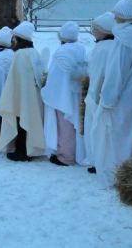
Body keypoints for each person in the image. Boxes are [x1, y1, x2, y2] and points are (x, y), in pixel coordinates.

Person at [92, 0, 132, 188]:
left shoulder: (125, 39)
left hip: (124, 97)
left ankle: (121, 178)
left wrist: (107, 100)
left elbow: (116, 73)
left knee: (119, 138)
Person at [0, 21, 46, 162]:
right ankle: (29, 149)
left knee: (21, 120)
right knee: (30, 120)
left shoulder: (20, 55)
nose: (12, 41)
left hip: (22, 96)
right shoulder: (34, 52)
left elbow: (13, 80)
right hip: (34, 96)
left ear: (19, 39)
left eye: (14, 38)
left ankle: (22, 151)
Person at [41, 21, 88, 166]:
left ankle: (66, 156)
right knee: (77, 124)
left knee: (64, 125)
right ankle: (79, 153)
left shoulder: (61, 52)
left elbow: (55, 76)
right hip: (78, 92)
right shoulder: (81, 48)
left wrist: (46, 88)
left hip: (62, 93)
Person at [83, 12, 116, 173]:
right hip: (110, 95)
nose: (92, 31)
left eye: (95, 28)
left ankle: (97, 161)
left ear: (104, 30)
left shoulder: (101, 49)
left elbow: (96, 75)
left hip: (97, 95)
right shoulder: (115, 46)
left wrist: (92, 97)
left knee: (96, 129)